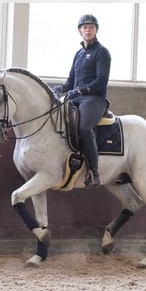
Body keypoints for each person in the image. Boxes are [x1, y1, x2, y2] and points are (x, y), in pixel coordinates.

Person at [52, 14, 111, 188]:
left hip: (94, 99)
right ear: (80, 31)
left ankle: (94, 172)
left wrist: (81, 90)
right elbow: (70, 81)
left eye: (91, 27)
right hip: (76, 98)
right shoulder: (78, 54)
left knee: (84, 128)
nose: (88, 30)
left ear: (96, 30)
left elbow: (101, 80)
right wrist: (59, 89)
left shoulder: (102, 52)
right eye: (85, 27)